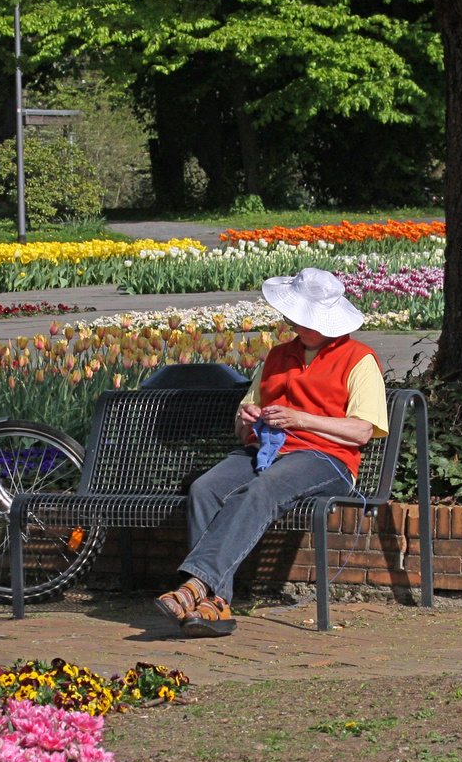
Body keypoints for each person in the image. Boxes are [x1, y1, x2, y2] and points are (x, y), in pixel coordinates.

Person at [155, 267, 388, 637]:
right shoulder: (277, 356)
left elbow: (361, 431)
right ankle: (216, 605)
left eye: (305, 318)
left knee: (261, 491)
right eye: (295, 317)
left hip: (327, 460)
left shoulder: (359, 359)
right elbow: (242, 425)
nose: (296, 324)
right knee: (205, 488)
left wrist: (302, 420)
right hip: (266, 451)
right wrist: (246, 420)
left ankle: (196, 586)